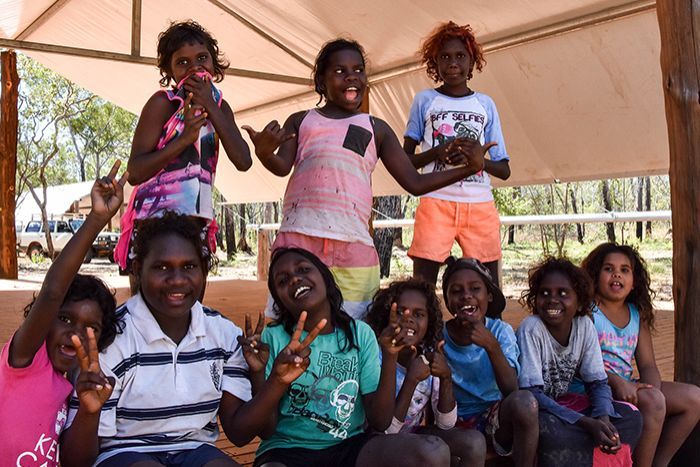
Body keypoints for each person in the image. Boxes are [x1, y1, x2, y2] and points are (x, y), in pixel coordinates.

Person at [242, 38, 494, 318]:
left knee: (356, 325)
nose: (352, 76)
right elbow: (280, 165)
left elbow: (414, 183)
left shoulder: (376, 128)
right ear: (321, 82)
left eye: (358, 70)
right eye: (339, 71)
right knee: (288, 322)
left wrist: (471, 168)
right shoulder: (301, 121)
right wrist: (265, 152)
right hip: (300, 240)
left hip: (353, 246)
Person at [61, 212, 257, 466]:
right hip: (124, 453)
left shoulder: (225, 335)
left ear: (204, 270)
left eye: (189, 267)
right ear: (137, 270)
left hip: (196, 449)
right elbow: (75, 461)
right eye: (162, 267)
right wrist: (90, 411)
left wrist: (270, 378)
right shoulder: (111, 340)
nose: (177, 280)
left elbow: (239, 434)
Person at [233, 247, 451, 467]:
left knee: (433, 451)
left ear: (325, 279)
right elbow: (267, 431)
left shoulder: (360, 334)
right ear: (279, 301)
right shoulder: (273, 338)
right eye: (282, 280)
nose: (295, 279)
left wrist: (389, 356)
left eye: (303, 269)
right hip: (287, 450)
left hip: (350, 446)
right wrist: (262, 375)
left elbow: (381, 421)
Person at [0, 162, 125, 466]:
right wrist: (96, 220)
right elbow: (53, 291)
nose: (75, 334)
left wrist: (89, 411)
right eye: (65, 319)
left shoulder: (75, 384)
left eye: (90, 327)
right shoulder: (26, 360)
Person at [115, 20, 251, 287]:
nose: (195, 67)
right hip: (153, 225)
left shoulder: (221, 109)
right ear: (170, 71)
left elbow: (244, 160)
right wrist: (183, 140)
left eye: (202, 58)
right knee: (146, 310)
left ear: (214, 64)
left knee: (188, 309)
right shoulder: (162, 104)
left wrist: (210, 105)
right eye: (183, 62)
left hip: (195, 222)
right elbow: (136, 172)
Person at [404, 21, 511, 287]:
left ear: (472, 61)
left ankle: (489, 329)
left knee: (488, 285)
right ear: (435, 63)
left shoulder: (485, 104)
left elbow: (504, 170)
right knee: (423, 285)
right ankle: (427, 329)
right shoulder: (425, 100)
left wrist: (480, 163)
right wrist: (437, 152)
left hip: (480, 205)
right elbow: (406, 162)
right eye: (445, 57)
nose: (453, 63)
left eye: (460, 56)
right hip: (435, 201)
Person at [581, 243, 700, 467]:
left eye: (625, 270)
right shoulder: (587, 312)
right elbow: (581, 364)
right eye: (608, 269)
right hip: (594, 387)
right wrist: (621, 384)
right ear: (595, 276)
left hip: (628, 385)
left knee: (694, 399)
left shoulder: (637, 315)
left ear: (634, 281)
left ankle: (659, 462)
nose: (617, 274)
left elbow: (648, 365)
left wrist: (650, 389)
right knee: (654, 402)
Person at [517, 257, 643, 467]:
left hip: (566, 404)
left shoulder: (584, 325)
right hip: (541, 408)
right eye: (544, 293)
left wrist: (603, 418)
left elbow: (597, 383)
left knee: (631, 417)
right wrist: (586, 423)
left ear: (580, 301)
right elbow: (533, 395)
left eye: (563, 293)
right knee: (552, 432)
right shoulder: (531, 328)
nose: (552, 300)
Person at [365, 278, 486, 466]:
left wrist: (445, 377)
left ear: (429, 322)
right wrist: (411, 380)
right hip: (377, 443)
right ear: (385, 316)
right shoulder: (377, 357)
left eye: (419, 314)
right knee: (431, 450)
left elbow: (446, 424)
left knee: (474, 442)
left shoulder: (428, 354)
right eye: (400, 312)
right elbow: (386, 430)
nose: (409, 319)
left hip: (412, 435)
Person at [441, 257, 538, 466]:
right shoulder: (439, 336)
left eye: (475, 289)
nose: (466, 296)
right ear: (447, 300)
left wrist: (491, 345)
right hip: (451, 419)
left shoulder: (500, 331)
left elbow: (512, 388)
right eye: (456, 291)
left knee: (525, 402)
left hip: (494, 416)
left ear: (489, 296)